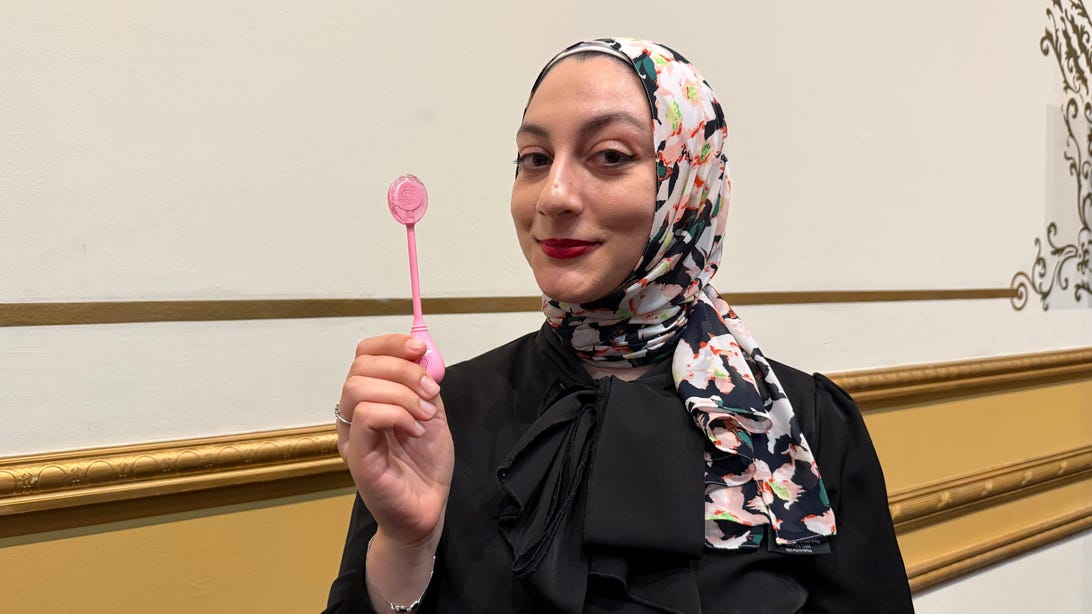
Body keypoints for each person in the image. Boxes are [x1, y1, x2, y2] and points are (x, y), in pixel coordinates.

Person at [325, 38, 914, 613]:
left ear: (689, 185)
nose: (553, 195)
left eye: (610, 156)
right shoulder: (440, 412)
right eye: (534, 159)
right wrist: (406, 546)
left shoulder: (802, 429)